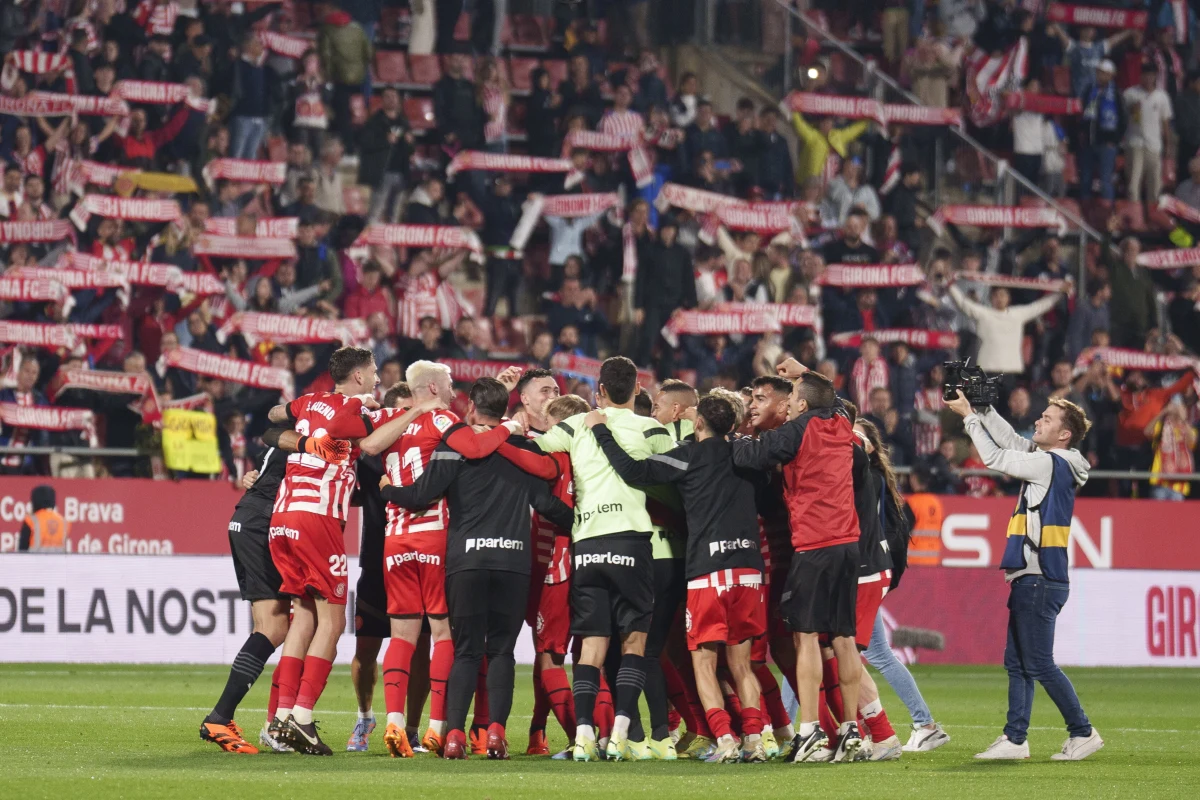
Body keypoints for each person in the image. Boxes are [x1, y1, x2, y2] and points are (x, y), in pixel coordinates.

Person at [381, 378, 574, 760]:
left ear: (471, 409)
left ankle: (453, 736)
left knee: (468, 651)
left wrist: (387, 488)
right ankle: (496, 736)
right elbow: (545, 503)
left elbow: (422, 496)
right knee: (501, 653)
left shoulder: (455, 447)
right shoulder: (521, 448)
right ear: (505, 410)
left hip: (465, 562)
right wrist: (582, 521)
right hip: (512, 562)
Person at [354, 361, 524, 758]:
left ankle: (394, 723)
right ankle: (434, 728)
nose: (453, 391)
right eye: (447, 385)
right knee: (444, 635)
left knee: (401, 636)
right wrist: (509, 428)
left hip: (394, 541)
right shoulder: (443, 419)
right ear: (432, 387)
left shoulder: (390, 416)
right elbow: (478, 447)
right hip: (434, 537)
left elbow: (368, 445)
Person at [589, 394, 770, 763]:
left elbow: (634, 471)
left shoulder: (688, 456)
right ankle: (754, 739)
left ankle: (724, 740)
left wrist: (601, 432)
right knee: (741, 663)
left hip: (707, 571)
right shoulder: (747, 456)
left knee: (703, 662)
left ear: (698, 424)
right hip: (750, 569)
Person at [520, 357, 677, 762]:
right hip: (631, 541)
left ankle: (585, 737)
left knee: (592, 642)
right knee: (634, 642)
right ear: (638, 390)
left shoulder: (575, 426)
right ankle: (622, 735)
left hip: (587, 544)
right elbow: (679, 471)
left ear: (599, 391)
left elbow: (533, 447)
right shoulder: (652, 428)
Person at [946, 390, 1103, 761]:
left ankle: (1082, 731)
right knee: (1017, 663)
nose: (1038, 421)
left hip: (1039, 576)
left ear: (1064, 435)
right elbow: (1011, 441)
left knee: (1038, 663)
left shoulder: (1051, 463)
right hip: (1034, 576)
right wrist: (983, 408)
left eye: (1047, 419)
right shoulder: (1054, 461)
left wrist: (969, 417)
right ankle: (1015, 739)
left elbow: (997, 456)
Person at [730, 364, 866, 763]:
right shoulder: (842, 422)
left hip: (814, 544)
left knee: (804, 636)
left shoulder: (798, 428)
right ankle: (850, 731)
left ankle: (808, 731)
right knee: (843, 637)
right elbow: (834, 399)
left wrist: (731, 436)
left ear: (802, 404)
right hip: (848, 544)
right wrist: (805, 372)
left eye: (790, 400)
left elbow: (752, 455)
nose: (785, 407)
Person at [200, 427, 347, 754]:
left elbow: (269, 430)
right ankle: (223, 717)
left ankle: (245, 718)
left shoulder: (293, 432)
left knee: (274, 627)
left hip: (247, 517)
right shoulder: (319, 433)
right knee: (277, 626)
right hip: (264, 520)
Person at [264, 346, 381, 755]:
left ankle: (279, 719)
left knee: (303, 618)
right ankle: (303, 716)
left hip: (282, 517)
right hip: (317, 520)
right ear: (360, 377)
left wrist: (307, 437)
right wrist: (368, 407)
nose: (379, 380)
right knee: (332, 622)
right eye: (374, 373)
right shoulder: (355, 409)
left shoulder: (309, 400)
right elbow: (375, 441)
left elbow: (273, 415)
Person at [853, 420, 950, 753]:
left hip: (861, 574)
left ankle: (790, 729)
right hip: (872, 574)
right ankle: (924, 724)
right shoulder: (881, 482)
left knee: (818, 647)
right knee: (877, 654)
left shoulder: (866, 481)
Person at [17, 485, 69, 552]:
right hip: (58, 562)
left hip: (34, 562)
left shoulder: (30, 520)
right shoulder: (63, 522)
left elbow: (22, 550)